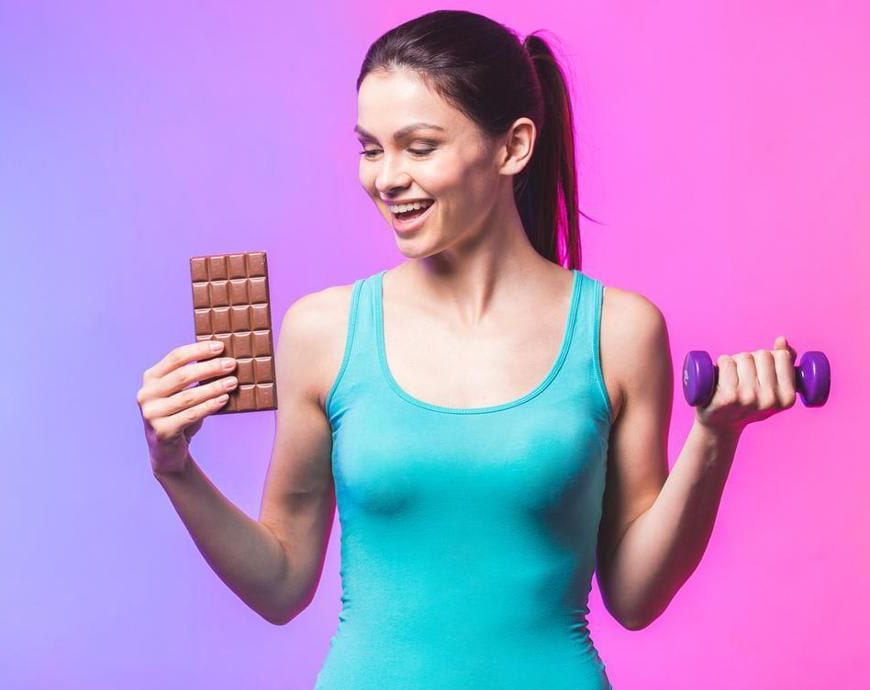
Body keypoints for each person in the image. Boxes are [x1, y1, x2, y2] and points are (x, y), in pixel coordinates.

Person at [137, 9, 800, 689]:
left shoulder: (619, 332)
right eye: (371, 149)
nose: (385, 178)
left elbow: (634, 596)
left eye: (418, 147)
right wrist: (175, 467)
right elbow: (280, 583)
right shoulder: (323, 331)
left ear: (513, 147)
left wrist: (714, 438)